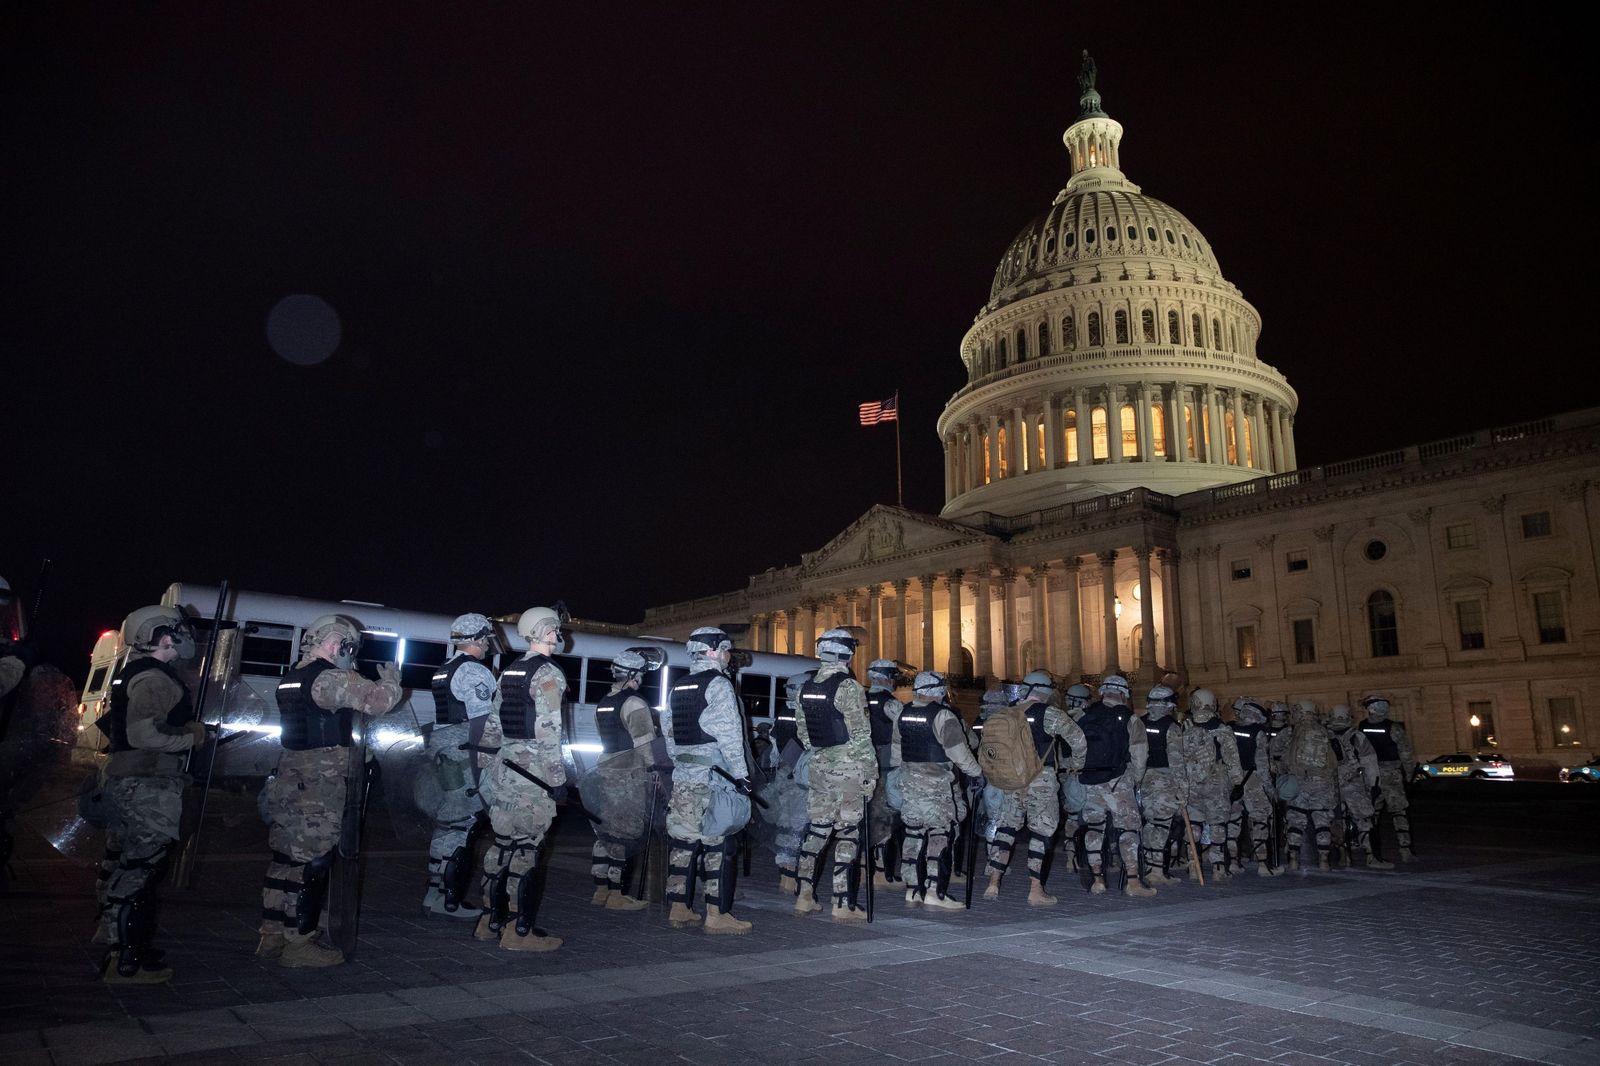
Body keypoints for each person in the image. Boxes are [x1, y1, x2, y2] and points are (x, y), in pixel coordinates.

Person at [259, 614, 402, 967]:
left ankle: (271, 934)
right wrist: (392, 681)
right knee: (314, 860)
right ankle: (299, 943)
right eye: (349, 648)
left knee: (285, 858)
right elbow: (378, 702)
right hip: (319, 784)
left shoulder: (292, 677)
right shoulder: (330, 678)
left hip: (291, 775)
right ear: (338, 645)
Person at [95, 606, 206, 983]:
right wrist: (192, 737)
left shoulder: (137, 671)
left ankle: (125, 940)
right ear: (163, 637)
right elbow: (143, 734)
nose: (185, 637)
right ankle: (126, 961)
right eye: (178, 631)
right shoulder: (154, 679)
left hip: (131, 780)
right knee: (141, 870)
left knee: (127, 864)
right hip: (147, 784)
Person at [476, 606, 568, 951]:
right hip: (533, 776)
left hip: (506, 770)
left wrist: (486, 764)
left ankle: (489, 921)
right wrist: (557, 779)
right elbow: (549, 731)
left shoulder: (510, 671)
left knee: (502, 845)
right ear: (545, 631)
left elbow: (493, 723)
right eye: (554, 629)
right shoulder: (548, 673)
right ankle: (518, 931)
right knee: (527, 849)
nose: (558, 634)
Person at [663, 626, 755, 934]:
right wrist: (741, 776)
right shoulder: (718, 684)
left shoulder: (678, 686)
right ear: (714, 651)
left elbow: (669, 733)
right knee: (718, 843)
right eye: (726, 649)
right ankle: (717, 915)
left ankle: (678, 908)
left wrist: (682, 764)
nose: (729, 655)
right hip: (714, 777)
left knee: (683, 842)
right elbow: (730, 735)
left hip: (684, 776)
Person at [793, 628, 876, 922]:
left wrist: (822, 754)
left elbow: (803, 733)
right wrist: (871, 773)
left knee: (817, 830)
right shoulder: (849, 687)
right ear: (847, 654)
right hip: (848, 766)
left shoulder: (805, 687)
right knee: (848, 832)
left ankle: (804, 895)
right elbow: (861, 735)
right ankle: (842, 902)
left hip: (819, 765)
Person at [422, 612, 499, 920]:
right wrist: (485, 765)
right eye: (486, 638)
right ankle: (449, 900)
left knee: (447, 823)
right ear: (477, 639)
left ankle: (434, 892)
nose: (489, 644)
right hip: (465, 753)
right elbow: (481, 723)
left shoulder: (444, 669)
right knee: (465, 824)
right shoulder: (474, 671)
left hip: (444, 750)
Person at [984, 671, 1085, 906]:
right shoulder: (1050, 713)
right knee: (1041, 832)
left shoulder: (1008, 712)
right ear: (1045, 691)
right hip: (1041, 780)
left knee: (1006, 828)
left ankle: (993, 883)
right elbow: (1079, 741)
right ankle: (1035, 889)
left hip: (1012, 780)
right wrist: (1076, 765)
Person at [892, 671, 980, 910]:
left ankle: (912, 889)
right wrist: (977, 773)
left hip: (909, 783)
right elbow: (959, 752)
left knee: (913, 833)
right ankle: (934, 891)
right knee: (940, 834)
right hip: (935, 785)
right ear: (939, 691)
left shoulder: (903, 713)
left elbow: (897, 751)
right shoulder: (943, 715)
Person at [588, 647, 663, 911]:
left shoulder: (604, 701)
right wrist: (654, 770)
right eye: (640, 674)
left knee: (605, 832)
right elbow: (644, 743)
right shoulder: (634, 702)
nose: (641, 679)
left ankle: (600, 890)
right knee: (623, 832)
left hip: (606, 769)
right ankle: (616, 894)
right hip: (628, 773)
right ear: (633, 675)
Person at [1077, 676, 1156, 897]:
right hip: (1119, 780)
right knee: (1128, 828)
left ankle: (1097, 880)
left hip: (1091, 780)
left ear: (1103, 692)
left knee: (1094, 828)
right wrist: (1136, 779)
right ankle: (1133, 881)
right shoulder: (1130, 718)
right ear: (1123, 694)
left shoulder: (1084, 715)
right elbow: (1139, 754)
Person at [1175, 688, 1243, 881]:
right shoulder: (1222, 729)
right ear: (1213, 704)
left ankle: (1193, 866)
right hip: (1216, 783)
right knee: (1218, 825)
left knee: (1194, 825)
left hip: (1191, 783)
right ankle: (1218, 868)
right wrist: (1237, 782)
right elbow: (1232, 759)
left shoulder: (1184, 727)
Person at [1270, 699, 1338, 870]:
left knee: (1296, 819)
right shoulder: (1326, 731)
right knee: (1322, 821)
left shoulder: (1290, 730)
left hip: (1298, 780)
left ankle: (1293, 858)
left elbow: (1273, 750)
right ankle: (1324, 860)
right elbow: (1338, 757)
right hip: (1323, 782)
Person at [1327, 704, 1392, 869]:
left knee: (1336, 821)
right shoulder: (1357, 736)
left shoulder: (1324, 736)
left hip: (1331, 787)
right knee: (1365, 821)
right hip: (1353, 785)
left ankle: (1343, 856)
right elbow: (1369, 762)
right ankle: (1371, 857)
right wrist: (1374, 785)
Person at [1135, 684, 1184, 885]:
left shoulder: (1139, 723)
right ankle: (1156, 870)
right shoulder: (1171, 727)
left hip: (1143, 778)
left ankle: (1148, 866)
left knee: (1149, 823)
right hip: (1165, 780)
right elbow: (1177, 761)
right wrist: (1183, 790)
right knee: (1162, 825)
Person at [770, 670, 813, 895]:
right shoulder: (805, 713)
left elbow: (775, 743)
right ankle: (794, 877)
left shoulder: (783, 712)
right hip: (800, 777)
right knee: (799, 826)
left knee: (784, 824)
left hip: (784, 773)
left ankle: (785, 876)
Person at [1227, 698, 1281, 876]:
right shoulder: (1258, 733)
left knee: (1232, 821)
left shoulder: (1229, 728)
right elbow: (1263, 764)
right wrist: (1270, 789)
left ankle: (1233, 862)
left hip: (1231, 780)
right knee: (1260, 820)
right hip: (1253, 780)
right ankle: (1263, 865)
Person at [864, 659, 906, 889]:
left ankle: (864, 869)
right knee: (885, 821)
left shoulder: (861, 699)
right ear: (887, 678)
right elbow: (905, 732)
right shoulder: (890, 703)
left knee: (865, 819)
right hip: (886, 770)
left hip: (864, 769)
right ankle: (882, 875)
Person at [1360, 694, 1416, 861]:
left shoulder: (1362, 727)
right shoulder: (1393, 727)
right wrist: (1409, 774)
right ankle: (1405, 849)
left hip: (1371, 775)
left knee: (1371, 815)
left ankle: (1371, 851)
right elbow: (1405, 752)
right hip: (1391, 775)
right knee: (1399, 812)